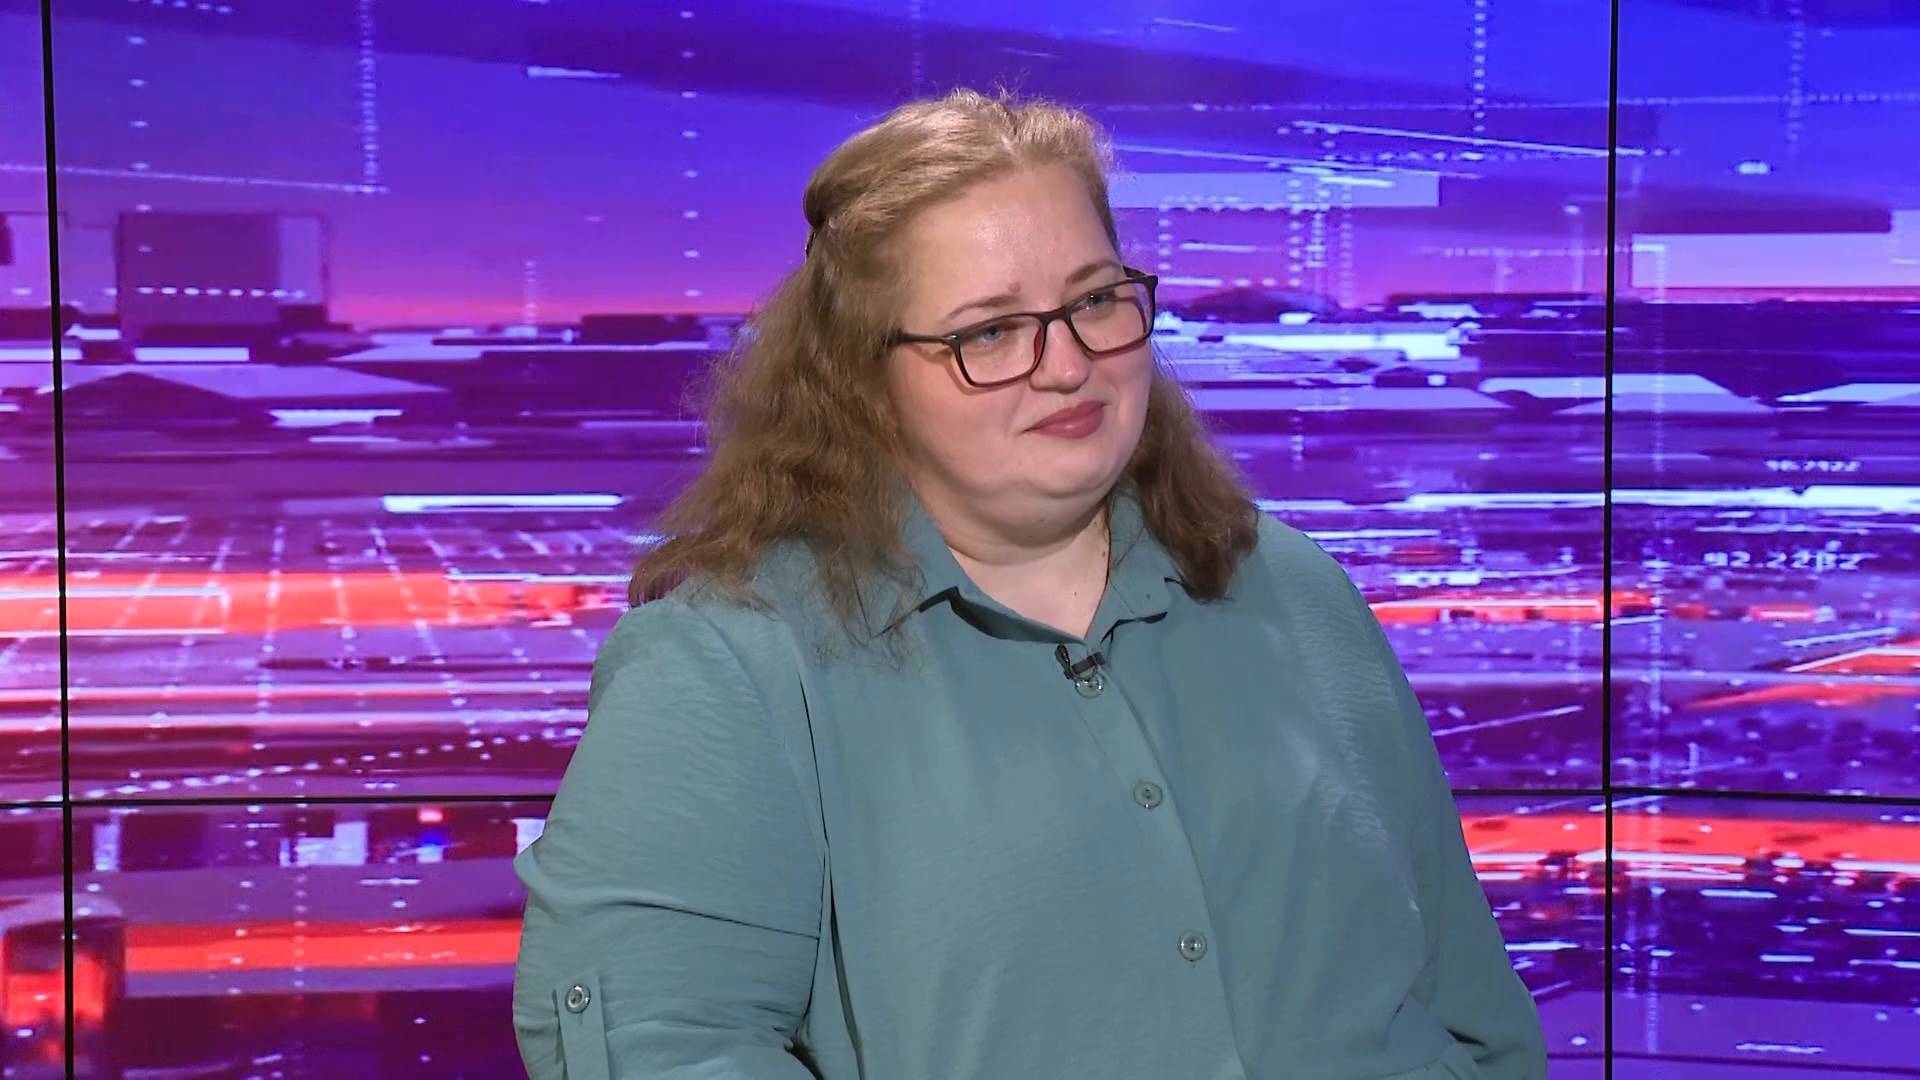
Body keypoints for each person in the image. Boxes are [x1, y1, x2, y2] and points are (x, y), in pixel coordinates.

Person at [512, 88, 1548, 1080]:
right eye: (991, 332)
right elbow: (664, 1044)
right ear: (862, 380)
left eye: (1095, 301)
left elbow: (1466, 998)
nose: (1068, 365)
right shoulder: (728, 661)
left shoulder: (1290, 587)